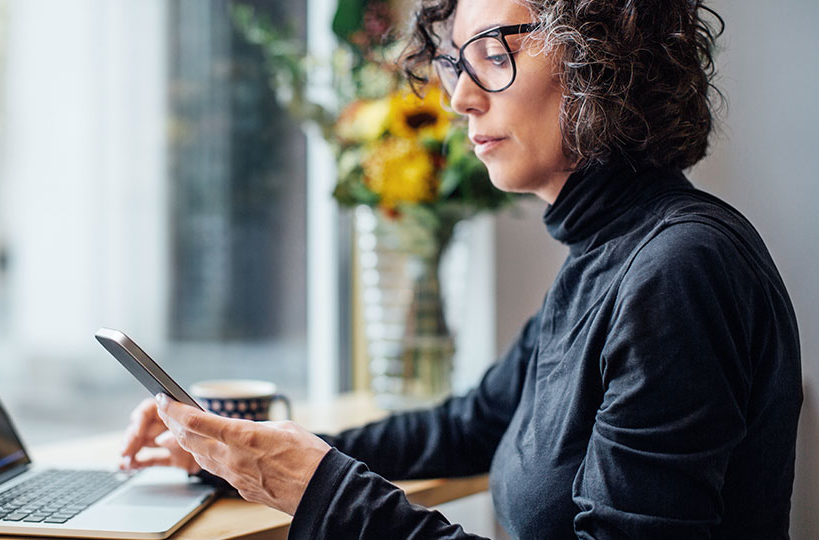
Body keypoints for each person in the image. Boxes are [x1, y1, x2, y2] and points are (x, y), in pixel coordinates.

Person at [121, 0, 802, 537]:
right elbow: (468, 426)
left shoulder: (678, 271)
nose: (459, 99)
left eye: (492, 53)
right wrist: (246, 455)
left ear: (603, 55)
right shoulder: (607, 257)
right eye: (455, 62)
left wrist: (321, 491)